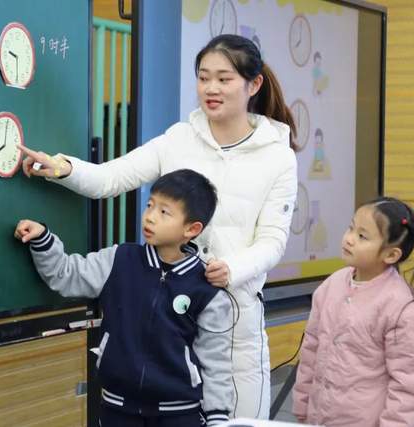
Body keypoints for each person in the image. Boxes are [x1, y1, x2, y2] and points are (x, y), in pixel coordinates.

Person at [19, 34, 298, 418]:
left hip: (234, 320)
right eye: (203, 77)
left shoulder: (277, 156)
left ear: (254, 84)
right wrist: (63, 168)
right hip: (169, 322)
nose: (211, 88)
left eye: (224, 79)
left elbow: (273, 241)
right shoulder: (180, 138)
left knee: (238, 421)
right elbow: (111, 177)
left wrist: (231, 269)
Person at [15, 169, 234, 426]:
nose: (150, 216)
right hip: (117, 410)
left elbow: (216, 361)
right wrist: (43, 239)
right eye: (150, 205)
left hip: (180, 414)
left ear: (192, 228)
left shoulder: (206, 288)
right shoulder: (119, 260)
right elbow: (66, 274)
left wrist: (218, 418)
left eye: (164, 212)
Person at [292, 197, 414, 426]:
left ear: (391, 255)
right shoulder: (332, 284)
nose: (349, 238)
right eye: (351, 228)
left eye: (362, 236)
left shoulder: (401, 307)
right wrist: (302, 405)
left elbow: (409, 386)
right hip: (319, 418)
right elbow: (311, 350)